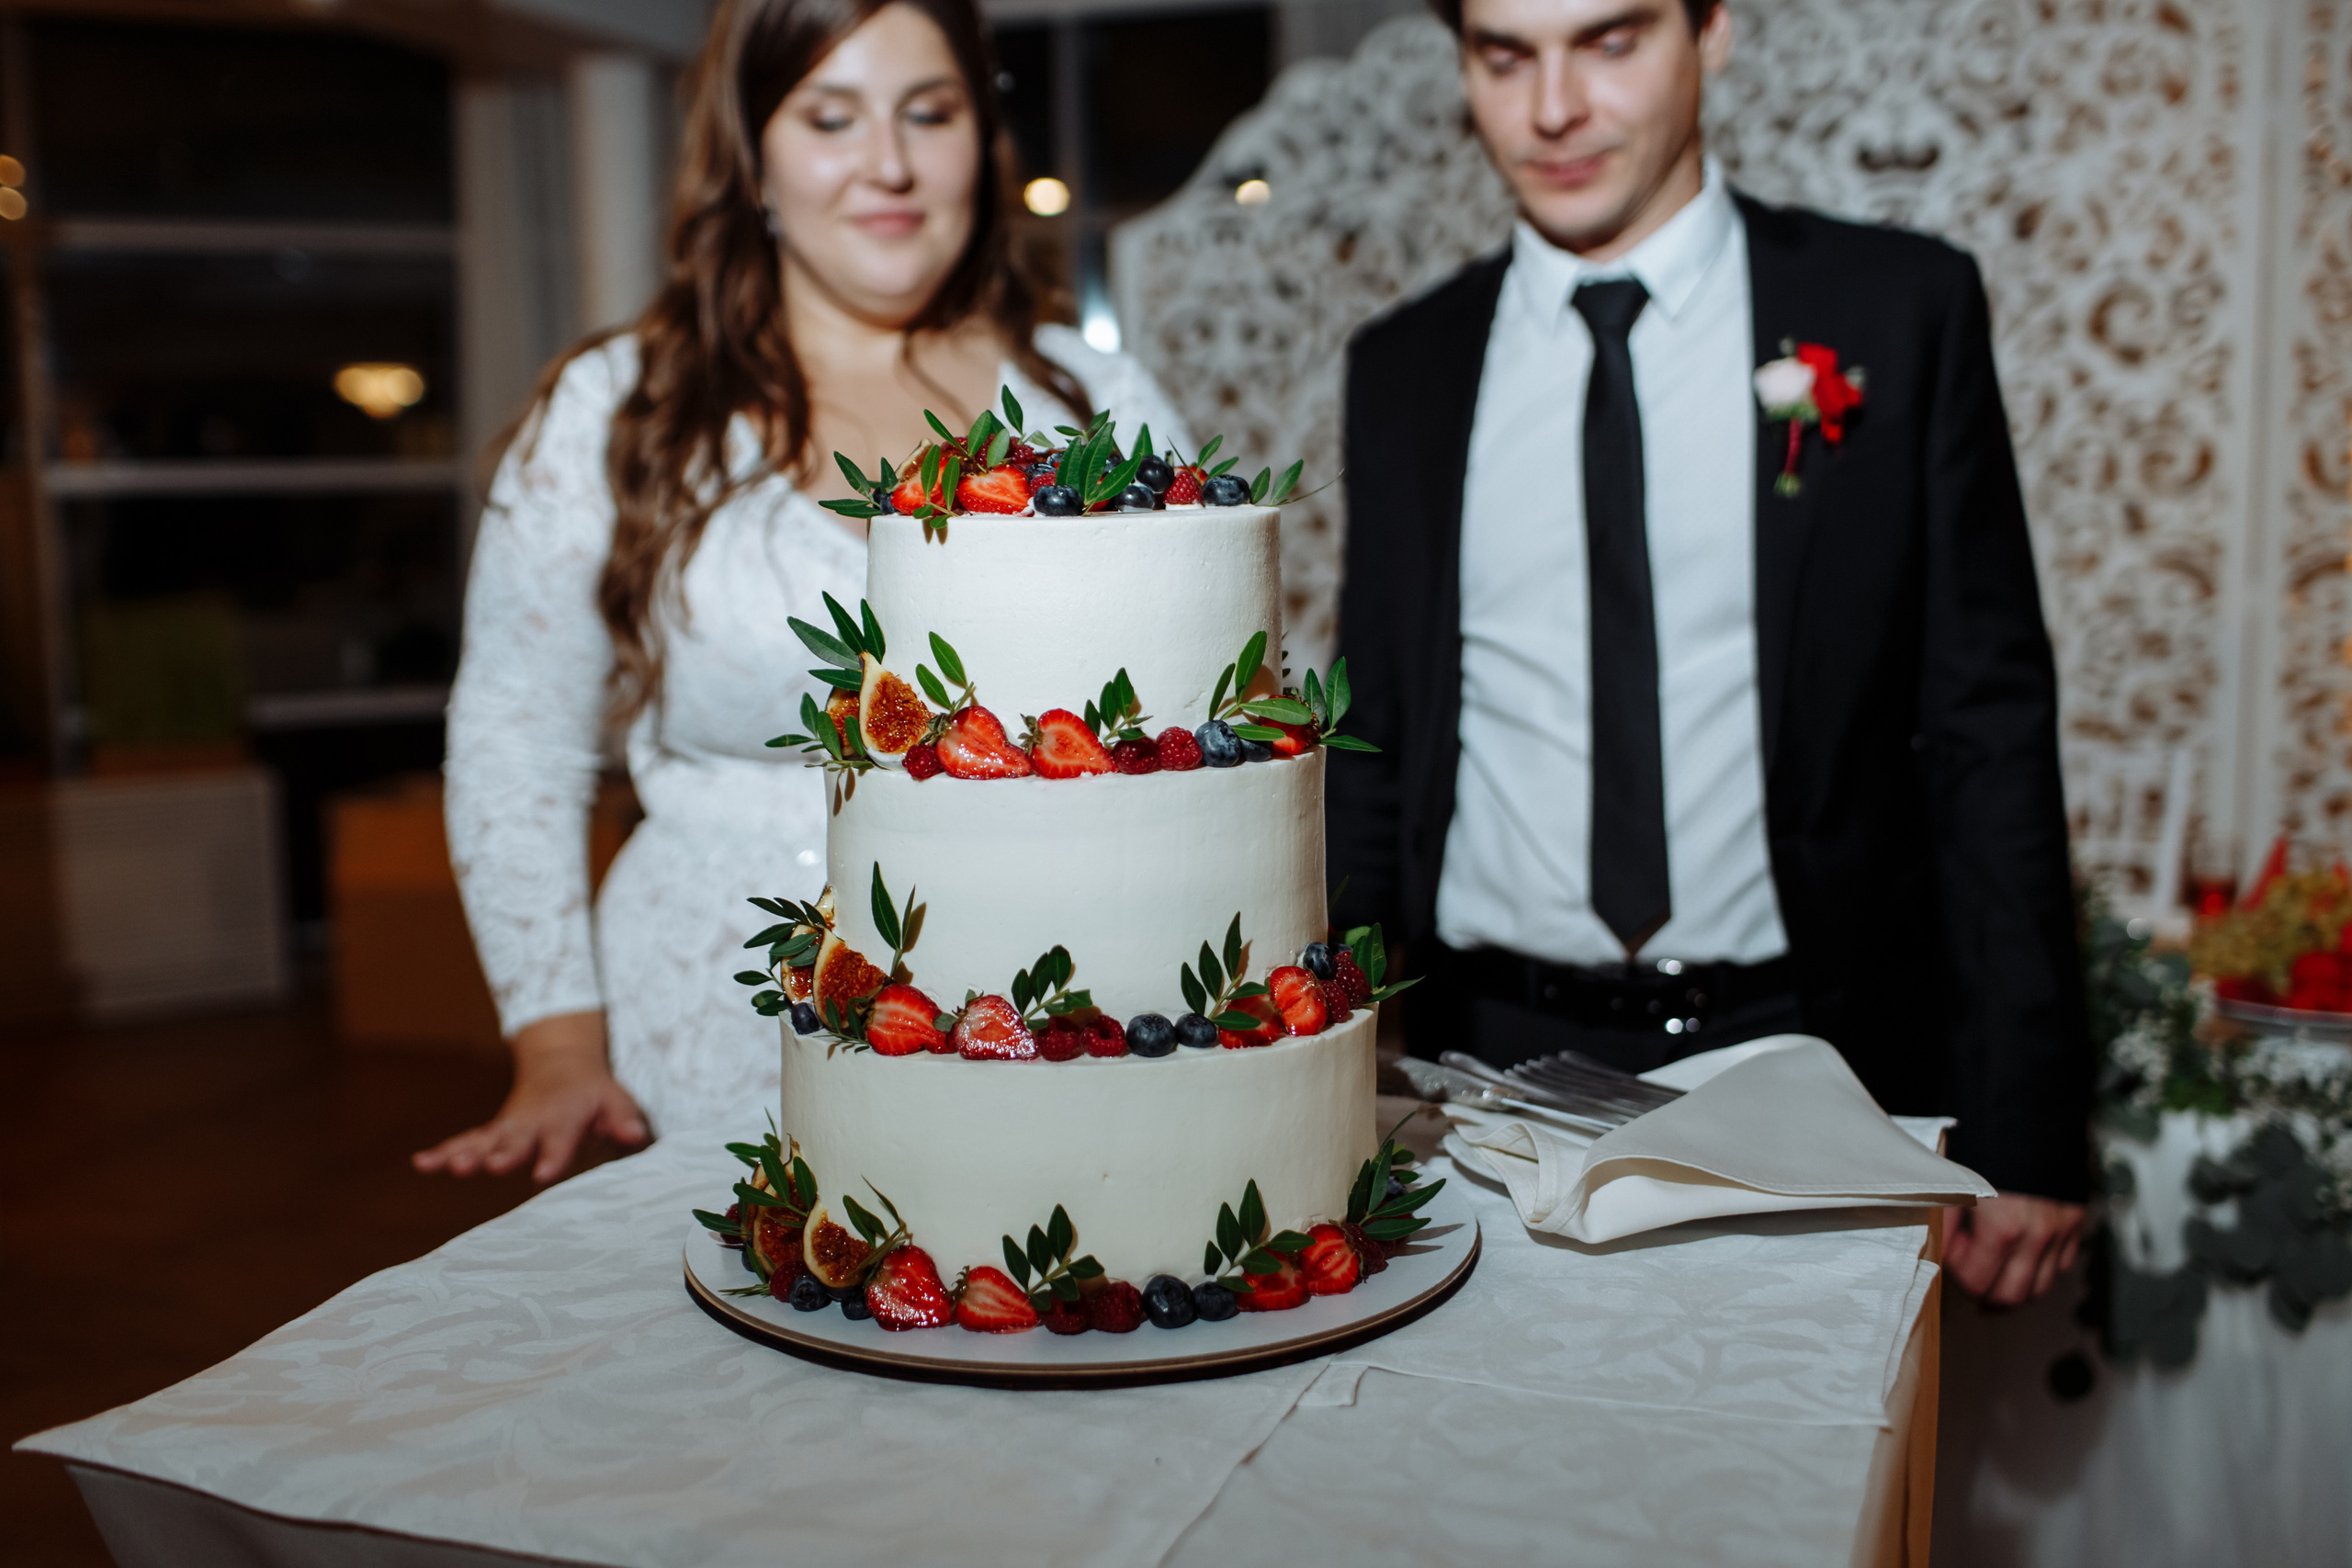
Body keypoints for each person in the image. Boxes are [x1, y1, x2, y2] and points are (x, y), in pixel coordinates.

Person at [1327, 0, 2089, 1304]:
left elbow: (1986, 728)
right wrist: (1306, 1083)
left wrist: (2028, 1115)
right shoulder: (1404, 367)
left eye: (1610, 40)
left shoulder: (1893, 312)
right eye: (1506, 56)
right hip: (1487, 1082)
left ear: (1714, 30)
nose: (1553, 107)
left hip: (1819, 1065)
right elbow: (1374, 747)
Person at [416, 0, 1189, 1183]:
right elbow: (516, 740)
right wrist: (557, 1043)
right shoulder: (619, 409)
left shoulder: (1100, 407)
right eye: (831, 117)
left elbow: (1193, 729)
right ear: (753, 156)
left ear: (983, 142)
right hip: (713, 1034)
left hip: (1047, 1005)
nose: (888, 164)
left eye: (928, 115)